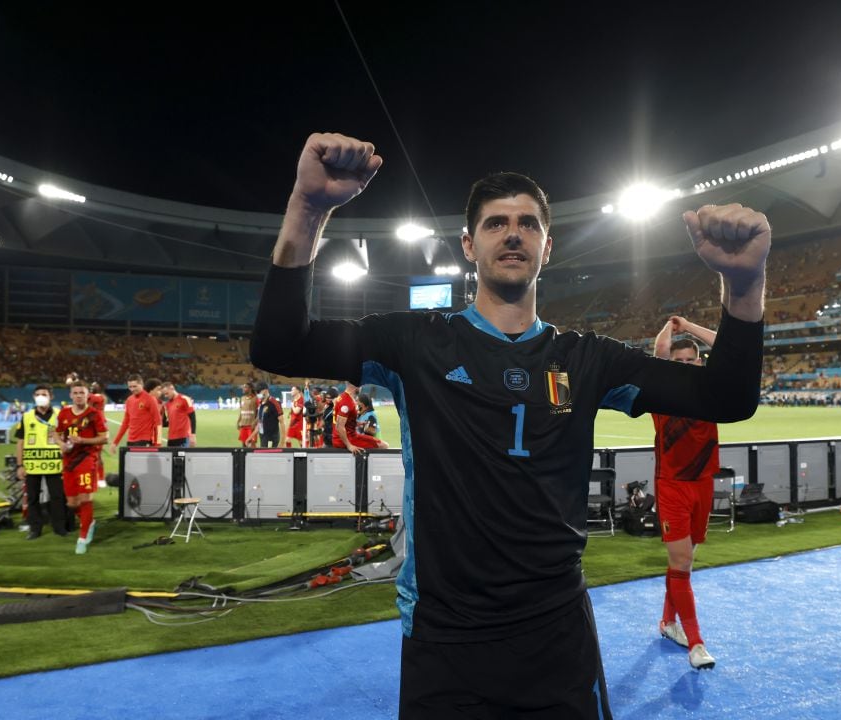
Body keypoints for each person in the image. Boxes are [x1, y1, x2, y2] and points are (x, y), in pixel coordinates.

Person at [250, 132, 768, 718]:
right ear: (469, 245)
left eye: (528, 223)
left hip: (557, 636)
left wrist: (743, 285)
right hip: (445, 638)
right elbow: (279, 344)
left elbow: (727, 397)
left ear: (549, 246)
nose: (514, 232)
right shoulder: (415, 342)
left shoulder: (589, 358)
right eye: (496, 223)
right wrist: (309, 208)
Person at [651, 315, 720, 670]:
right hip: (673, 487)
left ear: (699, 361)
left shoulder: (710, 387)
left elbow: (726, 347)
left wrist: (689, 326)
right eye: (678, 361)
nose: (683, 365)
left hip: (703, 484)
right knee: (682, 564)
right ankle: (696, 643)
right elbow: (660, 352)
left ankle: (667, 623)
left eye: (689, 360)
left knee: (682, 565)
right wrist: (670, 324)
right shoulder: (661, 390)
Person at [53, 380, 108, 554]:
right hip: (69, 460)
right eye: (75, 393)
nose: (78, 396)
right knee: (72, 502)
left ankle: (83, 537)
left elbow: (104, 438)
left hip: (87, 459)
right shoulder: (63, 413)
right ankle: (89, 521)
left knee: (85, 498)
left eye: (81, 393)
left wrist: (83, 440)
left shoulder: (94, 414)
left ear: (87, 395)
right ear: (71, 395)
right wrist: (61, 444)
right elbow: (55, 432)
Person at [14, 385, 67, 539]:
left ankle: (59, 527)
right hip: (32, 465)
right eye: (37, 394)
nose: (40, 397)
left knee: (57, 497)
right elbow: (20, 442)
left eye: (44, 394)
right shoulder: (27, 416)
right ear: (33, 397)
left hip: (55, 464)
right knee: (32, 499)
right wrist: (19, 465)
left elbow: (65, 438)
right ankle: (35, 528)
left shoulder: (60, 415)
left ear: (51, 396)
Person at [108, 374, 161, 453]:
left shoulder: (150, 399)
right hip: (131, 440)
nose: (132, 389)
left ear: (141, 385)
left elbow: (158, 421)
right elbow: (125, 423)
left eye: (135, 386)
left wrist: (157, 444)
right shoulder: (129, 400)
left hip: (144, 440)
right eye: (130, 387)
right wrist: (115, 442)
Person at [331, 382, 389, 453]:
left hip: (344, 437)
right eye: (361, 385)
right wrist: (349, 446)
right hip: (347, 439)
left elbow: (344, 420)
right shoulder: (347, 402)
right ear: (357, 386)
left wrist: (358, 423)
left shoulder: (341, 397)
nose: (361, 387)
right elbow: (339, 426)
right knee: (384, 445)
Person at [161, 381, 197, 447]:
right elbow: (168, 423)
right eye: (164, 395)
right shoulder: (168, 404)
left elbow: (192, 417)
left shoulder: (185, 399)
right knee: (171, 457)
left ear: (172, 388)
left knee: (181, 457)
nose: (166, 396)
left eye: (167, 393)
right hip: (171, 439)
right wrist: (162, 411)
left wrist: (193, 435)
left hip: (183, 437)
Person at [252, 381, 285, 448]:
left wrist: (282, 442)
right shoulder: (261, 402)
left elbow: (282, 422)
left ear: (266, 390)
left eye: (259, 392)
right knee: (263, 457)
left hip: (272, 438)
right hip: (263, 436)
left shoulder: (274, 403)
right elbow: (261, 418)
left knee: (271, 457)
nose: (257, 394)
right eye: (257, 392)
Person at [237, 382, 258, 447]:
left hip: (251, 426)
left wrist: (255, 422)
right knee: (244, 445)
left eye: (245, 387)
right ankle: (244, 457)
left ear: (250, 388)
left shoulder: (256, 398)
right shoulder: (242, 398)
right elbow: (241, 411)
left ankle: (255, 457)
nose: (243, 389)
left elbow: (259, 412)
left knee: (252, 445)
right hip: (243, 425)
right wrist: (238, 422)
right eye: (243, 387)